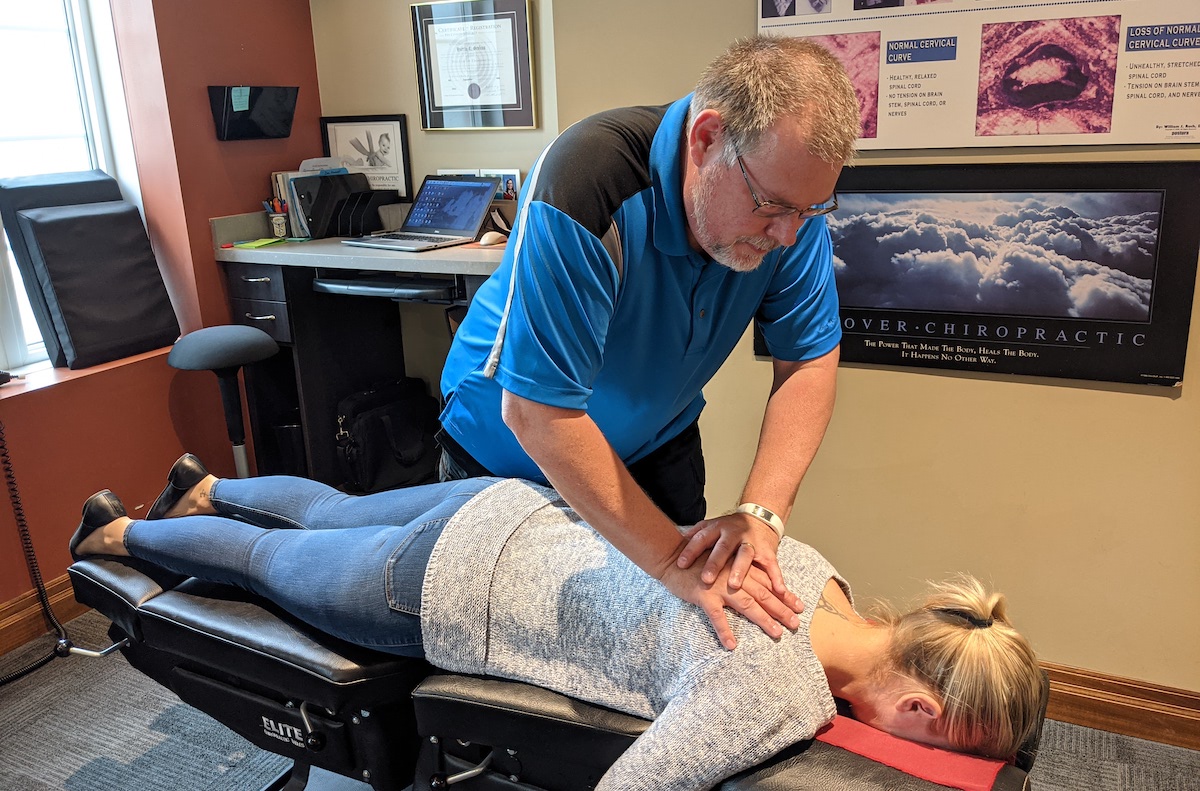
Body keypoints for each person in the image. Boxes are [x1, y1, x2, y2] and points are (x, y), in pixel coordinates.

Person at [71, 455, 1048, 791]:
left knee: (325, 506)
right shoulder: (774, 689)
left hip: (511, 506)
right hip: (447, 589)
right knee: (266, 561)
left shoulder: (808, 566)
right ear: (918, 706)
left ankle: (206, 483)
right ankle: (119, 531)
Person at [436, 36, 861, 649]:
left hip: (654, 441)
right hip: (506, 451)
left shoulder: (789, 213)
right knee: (502, 653)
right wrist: (667, 563)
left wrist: (763, 518)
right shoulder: (592, 179)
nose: (790, 235)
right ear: (707, 138)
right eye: (770, 205)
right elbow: (537, 411)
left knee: (675, 637)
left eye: (811, 209)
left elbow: (809, 361)